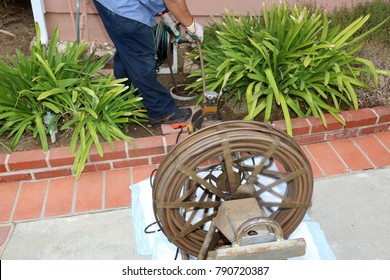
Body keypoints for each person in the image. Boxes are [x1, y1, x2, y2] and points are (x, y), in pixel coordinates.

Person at [93, 0, 204, 124]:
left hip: (107, 4)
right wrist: (191, 26)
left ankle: (124, 95)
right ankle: (161, 111)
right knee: (141, 59)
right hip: (122, 9)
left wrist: (165, 12)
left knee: (127, 49)